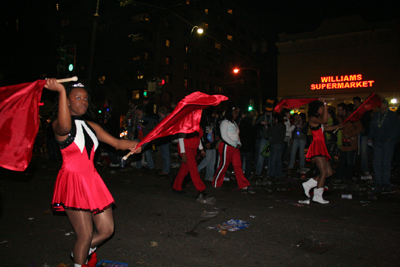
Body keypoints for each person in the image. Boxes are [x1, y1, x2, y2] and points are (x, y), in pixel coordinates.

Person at [44, 79, 141, 267]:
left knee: (106, 230)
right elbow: (64, 127)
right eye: (77, 98)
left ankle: (80, 252)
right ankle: (80, 260)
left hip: (92, 180)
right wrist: (61, 92)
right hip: (73, 180)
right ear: (68, 101)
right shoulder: (60, 124)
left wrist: (136, 144)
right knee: (85, 234)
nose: (83, 102)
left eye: (86, 99)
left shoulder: (90, 126)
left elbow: (117, 144)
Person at [302, 99, 341, 204]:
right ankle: (317, 196)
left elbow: (326, 127)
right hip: (317, 146)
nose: (322, 110)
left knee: (329, 172)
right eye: (321, 108)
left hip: (321, 146)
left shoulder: (317, 118)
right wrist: (325, 104)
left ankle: (309, 184)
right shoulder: (312, 118)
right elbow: (324, 121)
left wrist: (337, 126)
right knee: (323, 172)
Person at [213, 107, 253, 193]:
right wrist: (234, 144)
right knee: (224, 165)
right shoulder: (224, 122)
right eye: (234, 113)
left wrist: (239, 143)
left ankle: (243, 184)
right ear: (230, 114)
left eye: (236, 113)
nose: (236, 115)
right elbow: (224, 136)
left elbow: (237, 135)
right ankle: (217, 183)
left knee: (238, 165)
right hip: (226, 146)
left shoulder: (234, 123)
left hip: (234, 147)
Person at [172, 129, 215, 204]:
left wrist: (201, 149)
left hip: (193, 148)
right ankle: (201, 189)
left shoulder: (198, 125)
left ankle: (176, 187)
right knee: (193, 169)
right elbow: (181, 139)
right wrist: (183, 153)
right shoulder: (187, 125)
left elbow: (198, 138)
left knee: (185, 169)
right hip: (185, 148)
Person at [368, 98, 400, 191]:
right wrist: (370, 137)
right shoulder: (376, 115)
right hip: (377, 141)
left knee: (386, 162)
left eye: (381, 104)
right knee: (377, 162)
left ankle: (385, 181)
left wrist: (391, 139)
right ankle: (378, 181)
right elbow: (372, 127)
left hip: (387, 142)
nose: (379, 105)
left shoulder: (392, 115)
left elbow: (397, 129)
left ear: (386, 105)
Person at [198, 108, 218, 181]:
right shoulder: (204, 120)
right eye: (213, 113)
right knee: (207, 159)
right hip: (207, 143)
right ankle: (196, 171)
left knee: (212, 161)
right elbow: (202, 133)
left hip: (212, 142)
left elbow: (212, 131)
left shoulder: (212, 121)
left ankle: (209, 176)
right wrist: (206, 142)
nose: (214, 115)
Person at [266, 114, 286, 178]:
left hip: (275, 144)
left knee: (273, 159)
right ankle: (279, 174)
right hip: (281, 143)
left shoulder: (276, 126)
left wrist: (268, 127)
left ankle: (272, 173)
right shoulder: (283, 126)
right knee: (279, 159)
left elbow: (270, 133)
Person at [239, 110, 256, 179]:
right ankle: (248, 174)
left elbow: (241, 133)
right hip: (250, 144)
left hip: (243, 144)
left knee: (241, 161)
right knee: (248, 161)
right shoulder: (252, 122)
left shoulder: (243, 122)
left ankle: (240, 174)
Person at [157, 107, 171, 176]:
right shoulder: (166, 119)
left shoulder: (164, 120)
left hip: (164, 139)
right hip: (164, 139)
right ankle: (165, 169)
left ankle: (166, 170)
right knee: (165, 155)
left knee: (166, 155)